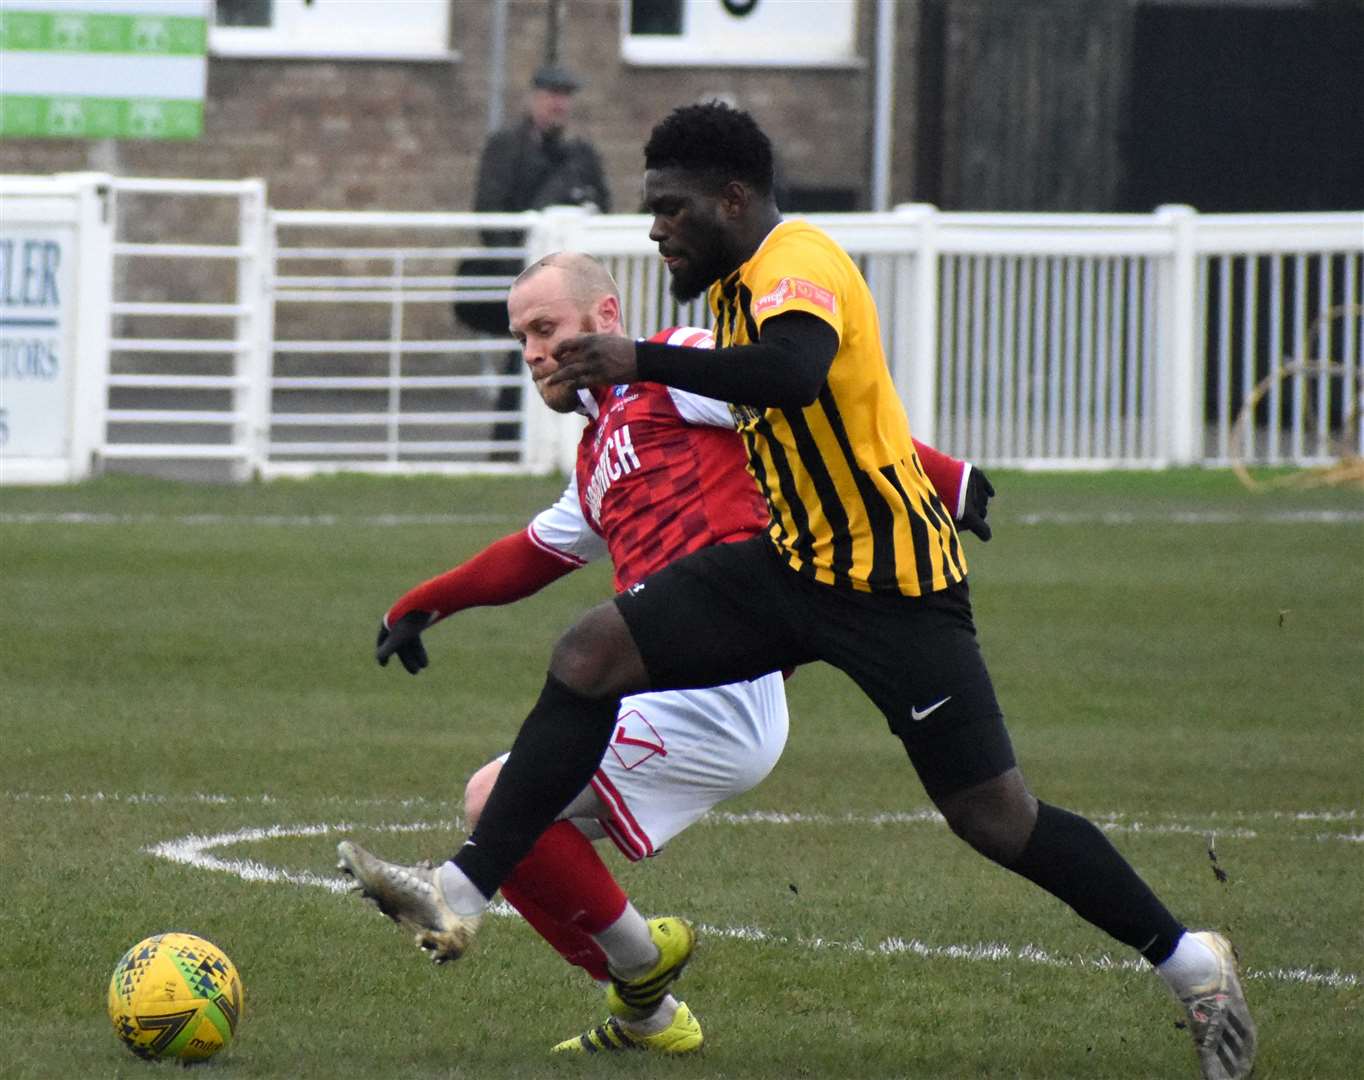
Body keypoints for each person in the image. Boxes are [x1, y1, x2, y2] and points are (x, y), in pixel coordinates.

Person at [340, 101, 1255, 1080]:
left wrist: (939, 479)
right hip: (792, 566)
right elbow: (563, 533)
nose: (656, 230)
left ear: (731, 199)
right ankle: (461, 892)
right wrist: (426, 598)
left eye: (670, 209)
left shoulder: (793, 267)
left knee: (994, 818)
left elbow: (796, 375)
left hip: (894, 586)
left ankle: (1190, 962)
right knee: (586, 654)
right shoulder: (726, 304)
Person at [342, 251, 993, 1055]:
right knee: (507, 809)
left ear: (606, 320)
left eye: (547, 328)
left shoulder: (674, 368)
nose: (535, 352)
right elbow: (531, 554)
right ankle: (647, 1010)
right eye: (522, 338)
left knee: (497, 804)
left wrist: (947, 477)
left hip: (721, 684)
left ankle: (634, 965)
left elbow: (813, 413)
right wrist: (423, 603)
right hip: (665, 675)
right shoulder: (595, 454)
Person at [456, 64, 612, 449]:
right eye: (551, 95)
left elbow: (603, 208)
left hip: (571, 285)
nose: (558, 104)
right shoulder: (508, 147)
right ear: (534, 98)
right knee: (527, 360)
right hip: (520, 275)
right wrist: (526, 277)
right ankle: (510, 445)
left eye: (564, 96)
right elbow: (490, 213)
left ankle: (557, 445)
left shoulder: (581, 155)